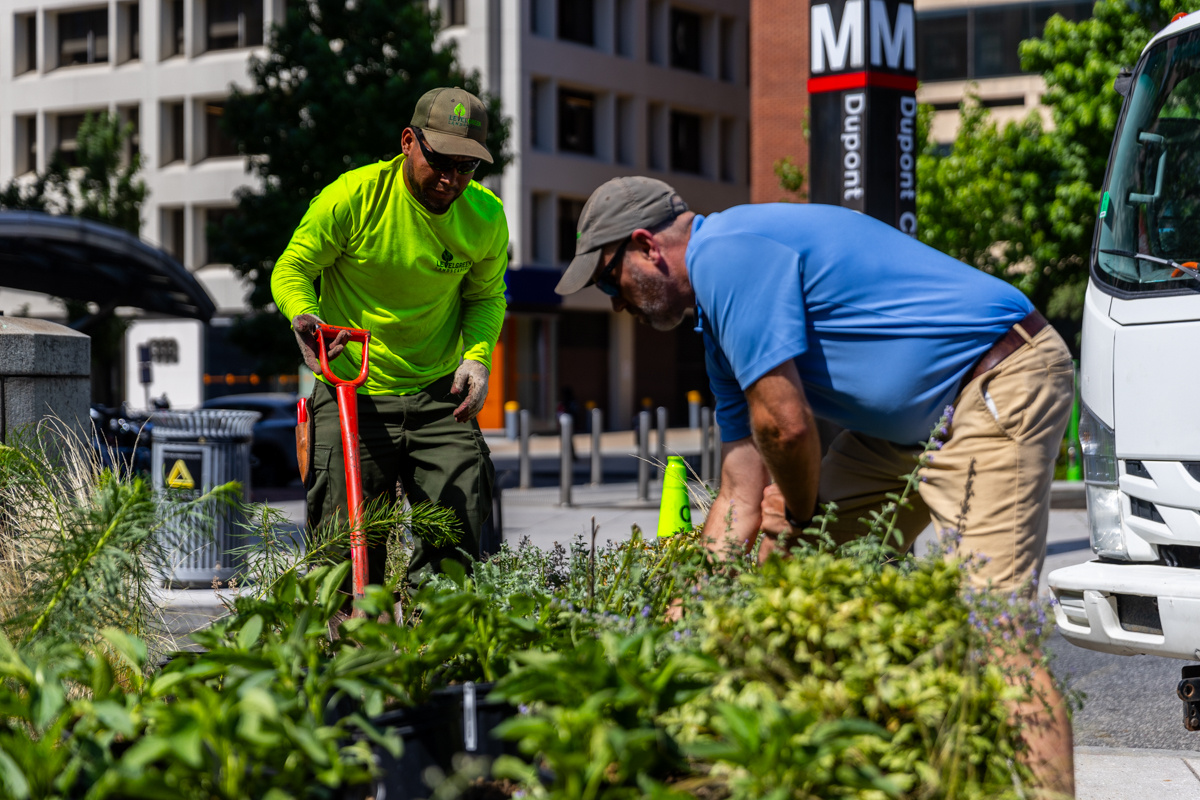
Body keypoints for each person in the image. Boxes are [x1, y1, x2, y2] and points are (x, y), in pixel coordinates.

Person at [554, 176, 1075, 797]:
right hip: (907, 431)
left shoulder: (727, 255)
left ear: (646, 246)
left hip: (993, 383)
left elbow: (787, 427)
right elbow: (739, 499)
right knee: (789, 576)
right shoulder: (718, 333)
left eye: (610, 280)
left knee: (996, 629)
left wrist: (799, 511)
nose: (617, 303)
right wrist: (676, 616)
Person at [271, 86, 508, 586]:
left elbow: (486, 297)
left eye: (467, 166)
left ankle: (434, 652)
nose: (450, 178)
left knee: (454, 539)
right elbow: (292, 268)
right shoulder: (353, 197)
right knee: (343, 555)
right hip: (351, 391)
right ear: (408, 141)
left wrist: (478, 357)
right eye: (440, 159)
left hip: (440, 393)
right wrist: (305, 319)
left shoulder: (485, 218)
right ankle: (347, 654)